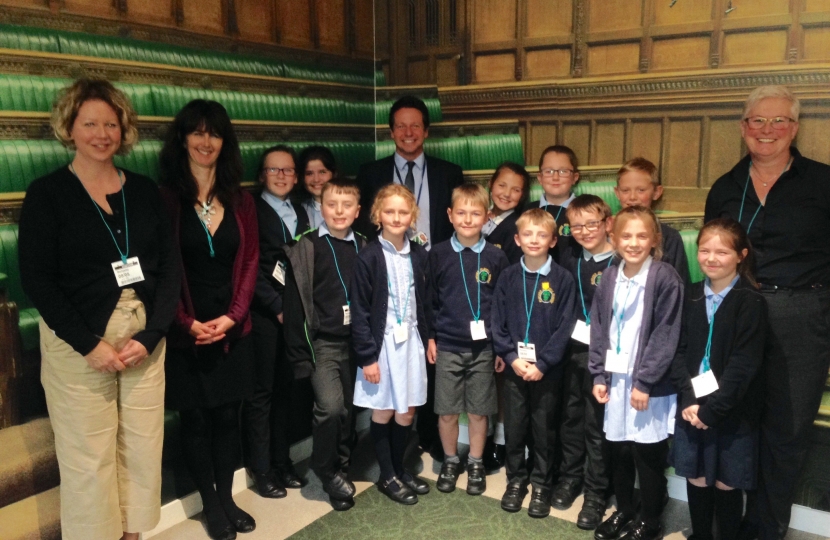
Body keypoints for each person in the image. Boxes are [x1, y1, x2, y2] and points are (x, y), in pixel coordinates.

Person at [18, 78, 179, 540]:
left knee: (143, 447)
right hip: (79, 339)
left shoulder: (145, 191)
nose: (102, 133)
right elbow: (38, 281)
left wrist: (151, 336)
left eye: (111, 123)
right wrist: (89, 344)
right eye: (90, 123)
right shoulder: (48, 194)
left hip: (142, 336)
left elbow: (169, 268)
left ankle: (133, 534)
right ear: (69, 128)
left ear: (123, 129)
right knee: (88, 456)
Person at [704, 85, 830, 540]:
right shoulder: (725, 186)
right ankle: (724, 524)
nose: (767, 130)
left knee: (786, 428)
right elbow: (712, 254)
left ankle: (764, 528)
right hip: (737, 311)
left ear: (794, 128)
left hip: (800, 314)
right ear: (743, 128)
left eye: (778, 121)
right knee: (736, 418)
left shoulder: (822, 182)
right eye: (757, 120)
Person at [159, 99, 259, 540]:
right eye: (197, 132)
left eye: (214, 133)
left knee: (226, 417)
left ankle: (227, 496)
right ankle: (210, 505)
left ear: (225, 141)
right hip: (187, 330)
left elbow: (251, 259)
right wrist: (185, 322)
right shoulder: (164, 199)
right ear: (183, 139)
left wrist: (234, 317)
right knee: (196, 420)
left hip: (230, 330)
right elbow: (162, 268)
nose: (206, 141)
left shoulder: (241, 199)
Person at [355, 95, 463, 460]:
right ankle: (395, 454)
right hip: (390, 275)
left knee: (426, 360)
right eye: (400, 125)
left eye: (415, 125)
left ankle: (429, 440)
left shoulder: (449, 173)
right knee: (391, 378)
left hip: (434, 273)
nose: (408, 132)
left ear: (427, 131)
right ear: (390, 132)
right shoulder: (371, 173)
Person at [589, 206, 683, 540]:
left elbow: (665, 333)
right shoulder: (612, 275)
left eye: (642, 236)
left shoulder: (664, 276)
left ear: (655, 239)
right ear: (613, 238)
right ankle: (626, 512)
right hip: (616, 380)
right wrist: (599, 375)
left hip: (648, 385)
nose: (633, 242)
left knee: (648, 453)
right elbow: (599, 326)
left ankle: (651, 520)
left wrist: (645, 381)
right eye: (626, 236)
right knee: (619, 449)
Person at [670, 218, 767, 540]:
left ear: (741, 255)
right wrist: (689, 400)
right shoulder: (691, 294)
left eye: (722, 252)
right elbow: (680, 351)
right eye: (704, 250)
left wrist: (712, 412)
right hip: (692, 408)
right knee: (696, 475)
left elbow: (744, 365)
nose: (711, 258)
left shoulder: (750, 301)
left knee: (727, 480)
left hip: (732, 411)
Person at [282, 178, 366, 511]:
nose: (339, 211)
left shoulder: (365, 244)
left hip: (358, 343)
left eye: (347, 205)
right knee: (331, 408)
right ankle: (325, 468)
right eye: (332, 205)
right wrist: (299, 353)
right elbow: (293, 305)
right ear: (321, 207)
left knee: (348, 411)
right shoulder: (306, 246)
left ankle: (340, 470)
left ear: (358, 211)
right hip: (323, 344)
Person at [492, 208, 577, 519]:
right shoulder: (508, 277)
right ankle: (516, 480)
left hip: (547, 370)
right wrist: (512, 358)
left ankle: (542, 483)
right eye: (527, 234)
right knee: (515, 427)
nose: (534, 240)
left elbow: (565, 327)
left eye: (542, 235)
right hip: (515, 369)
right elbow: (497, 322)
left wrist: (543, 363)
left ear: (553, 240)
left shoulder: (563, 279)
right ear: (517, 239)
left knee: (544, 429)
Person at [351, 184, 432, 505]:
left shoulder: (418, 255)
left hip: (411, 342)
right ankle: (387, 475)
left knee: (408, 410)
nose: (397, 218)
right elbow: (359, 311)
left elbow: (425, 302)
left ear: (412, 216)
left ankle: (400, 468)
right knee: (384, 409)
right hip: (381, 346)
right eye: (389, 211)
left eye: (403, 212)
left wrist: (430, 339)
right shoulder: (368, 256)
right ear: (377, 216)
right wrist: (367, 357)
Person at [427, 183, 509, 496]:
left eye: (475, 213)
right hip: (447, 345)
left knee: (478, 411)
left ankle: (475, 462)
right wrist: (432, 337)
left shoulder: (495, 257)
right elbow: (430, 300)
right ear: (450, 215)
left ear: (486, 217)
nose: (467, 218)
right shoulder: (437, 254)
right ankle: (451, 460)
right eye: (461, 212)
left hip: (484, 348)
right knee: (446, 411)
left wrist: (501, 345)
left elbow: (502, 306)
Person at [241, 145, 308, 501]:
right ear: (262, 175)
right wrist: (276, 308)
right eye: (273, 170)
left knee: (286, 392)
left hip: (295, 317)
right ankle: (262, 468)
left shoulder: (300, 210)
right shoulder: (250, 208)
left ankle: (283, 461)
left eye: (287, 170)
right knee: (261, 394)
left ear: (295, 176)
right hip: (265, 317)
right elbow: (250, 265)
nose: (281, 176)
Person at [554, 194, 616, 529]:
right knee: (570, 419)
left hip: (606, 359)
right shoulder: (569, 255)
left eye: (592, 223)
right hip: (572, 351)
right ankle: (570, 478)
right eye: (576, 225)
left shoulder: (621, 261)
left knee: (596, 426)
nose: (584, 231)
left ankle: (596, 492)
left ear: (608, 223)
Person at [614, 157, 690, 284]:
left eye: (641, 190)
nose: (632, 197)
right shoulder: (609, 232)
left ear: (656, 192)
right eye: (625, 190)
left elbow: (679, 284)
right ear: (617, 193)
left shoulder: (670, 237)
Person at [482, 161, 529, 265]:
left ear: (522, 194)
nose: (507, 194)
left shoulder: (518, 227)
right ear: (490, 183)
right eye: (502, 185)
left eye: (516, 190)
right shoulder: (477, 217)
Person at [537, 145, 580, 238]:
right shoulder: (527, 211)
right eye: (549, 171)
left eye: (563, 171)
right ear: (540, 178)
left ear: (575, 177)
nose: (555, 177)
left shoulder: (584, 211)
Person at [298, 145, 337, 230]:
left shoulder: (350, 209)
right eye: (309, 173)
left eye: (322, 172)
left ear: (334, 174)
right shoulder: (298, 211)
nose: (316, 179)